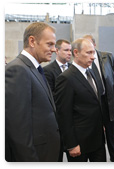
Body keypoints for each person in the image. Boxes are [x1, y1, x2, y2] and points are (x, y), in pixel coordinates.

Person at [5, 22, 60, 162]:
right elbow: (18, 129)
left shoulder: (35, 69)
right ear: (32, 41)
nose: (54, 49)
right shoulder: (18, 70)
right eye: (49, 44)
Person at [54, 38, 106, 162]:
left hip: (97, 140)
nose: (93, 57)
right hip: (79, 143)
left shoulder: (92, 72)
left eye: (93, 52)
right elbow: (63, 114)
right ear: (76, 53)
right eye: (88, 53)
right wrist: (71, 144)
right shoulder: (66, 78)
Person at [83, 34, 114, 162]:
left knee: (112, 138)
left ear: (94, 44)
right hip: (95, 105)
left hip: (109, 103)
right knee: (98, 140)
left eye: (89, 45)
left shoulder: (107, 56)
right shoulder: (83, 61)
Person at [43, 39, 72, 162]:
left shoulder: (73, 69)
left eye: (70, 50)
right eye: (66, 50)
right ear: (57, 51)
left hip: (73, 123)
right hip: (57, 122)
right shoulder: (48, 70)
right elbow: (51, 96)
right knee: (57, 158)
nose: (69, 53)